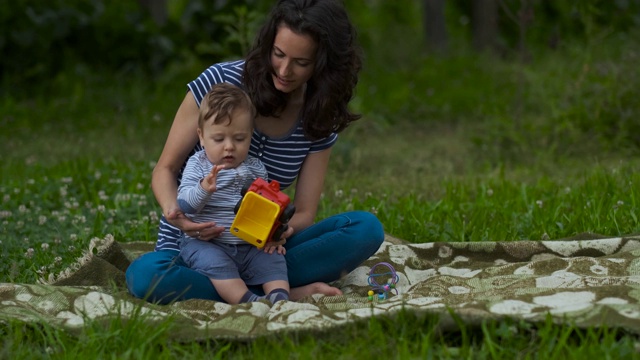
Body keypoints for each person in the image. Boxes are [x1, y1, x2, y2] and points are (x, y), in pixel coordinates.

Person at [125, 0, 385, 305]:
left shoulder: (319, 115)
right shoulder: (219, 84)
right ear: (268, 46)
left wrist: (277, 232)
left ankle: (250, 290)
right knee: (146, 275)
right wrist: (179, 216)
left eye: (301, 62)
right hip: (195, 248)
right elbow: (165, 170)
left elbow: (304, 213)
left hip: (262, 249)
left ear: (324, 64)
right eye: (279, 54)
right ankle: (277, 293)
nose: (285, 70)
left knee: (365, 229)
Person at [177, 83, 289, 305]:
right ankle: (249, 302)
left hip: (249, 244)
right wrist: (203, 189)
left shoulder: (256, 167)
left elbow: (264, 211)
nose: (229, 147)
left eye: (239, 139)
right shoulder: (198, 165)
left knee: (273, 257)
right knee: (215, 262)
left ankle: (280, 299)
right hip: (208, 243)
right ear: (201, 136)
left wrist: (273, 235)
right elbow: (185, 204)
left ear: (250, 135)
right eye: (219, 139)